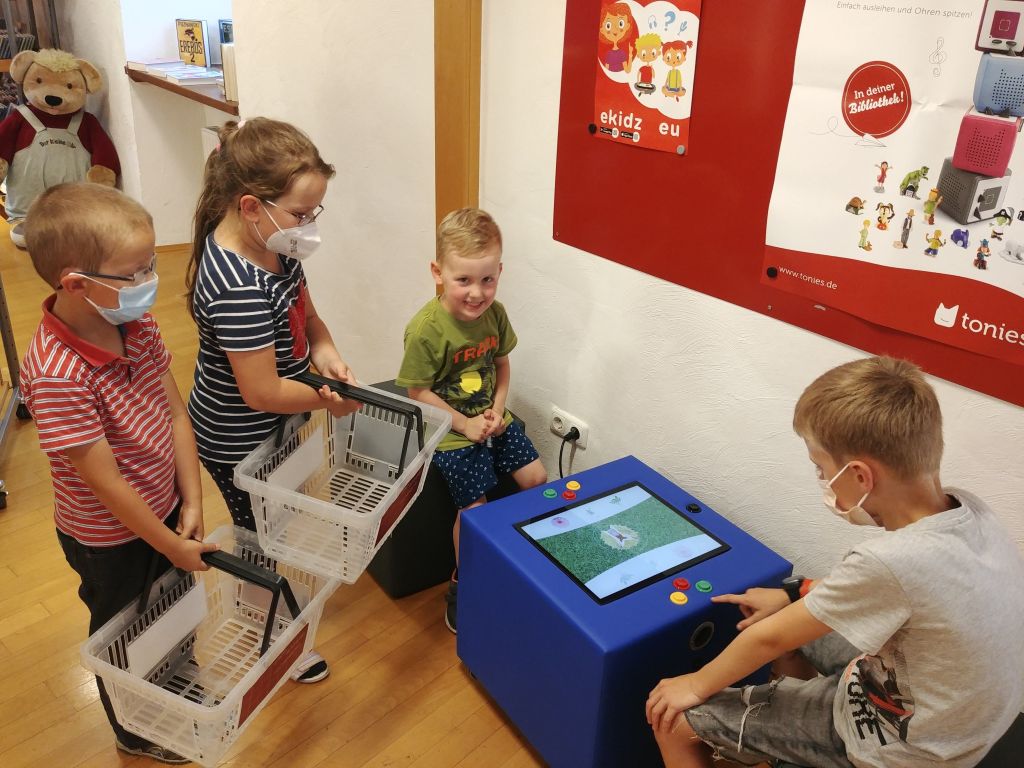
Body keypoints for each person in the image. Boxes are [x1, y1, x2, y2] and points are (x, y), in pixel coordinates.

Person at [646, 356, 1024, 768]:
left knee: (675, 718)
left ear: (861, 476)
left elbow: (769, 639)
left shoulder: (887, 561)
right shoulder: (968, 511)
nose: (824, 482)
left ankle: (817, 745)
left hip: (904, 748)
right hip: (960, 724)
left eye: (821, 469)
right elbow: (891, 590)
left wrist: (693, 684)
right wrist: (794, 593)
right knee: (786, 609)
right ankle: (790, 745)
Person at [20, 182, 218, 764]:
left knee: (174, 607)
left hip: (164, 510)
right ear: (75, 283)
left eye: (151, 263)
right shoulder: (55, 372)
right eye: (135, 272)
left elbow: (175, 412)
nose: (150, 281)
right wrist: (166, 542)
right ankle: (137, 726)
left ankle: (175, 680)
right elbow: (103, 484)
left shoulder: (140, 326)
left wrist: (192, 499)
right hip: (108, 537)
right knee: (125, 631)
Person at [185, 118, 359, 683]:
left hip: (277, 419)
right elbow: (259, 390)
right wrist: (323, 397)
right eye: (301, 214)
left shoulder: (276, 247)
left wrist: (325, 350)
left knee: (274, 521)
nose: (308, 228)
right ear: (252, 206)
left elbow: (305, 315)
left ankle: (270, 611)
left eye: (315, 214)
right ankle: (272, 640)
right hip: (236, 436)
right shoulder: (235, 282)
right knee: (256, 538)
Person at [396, 208, 547, 634]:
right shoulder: (426, 330)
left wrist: (498, 410)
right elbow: (417, 392)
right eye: (463, 280)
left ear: (499, 271)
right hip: (449, 432)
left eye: (487, 279)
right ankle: (462, 583)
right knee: (476, 510)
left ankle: (523, 562)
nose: (477, 293)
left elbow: (501, 365)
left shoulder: (495, 315)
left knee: (536, 478)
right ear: (438, 273)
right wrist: (464, 425)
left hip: (490, 420)